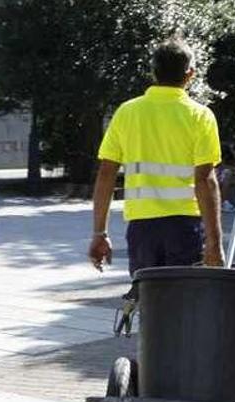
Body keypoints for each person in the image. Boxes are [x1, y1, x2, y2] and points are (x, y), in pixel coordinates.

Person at [88, 40, 226, 303]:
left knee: (151, 307)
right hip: (185, 229)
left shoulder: (127, 112)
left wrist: (100, 234)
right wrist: (214, 243)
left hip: (142, 230)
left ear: (153, 72)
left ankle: (154, 345)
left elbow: (106, 173)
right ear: (190, 74)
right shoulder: (200, 116)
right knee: (184, 308)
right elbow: (205, 181)